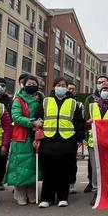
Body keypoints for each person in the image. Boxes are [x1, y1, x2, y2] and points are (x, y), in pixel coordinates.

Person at [36, 77, 85, 208]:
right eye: (58, 85)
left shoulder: (73, 103)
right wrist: (36, 137)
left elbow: (79, 123)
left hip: (67, 141)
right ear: (53, 86)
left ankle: (63, 197)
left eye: (64, 85)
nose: (61, 87)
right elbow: (38, 120)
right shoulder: (45, 101)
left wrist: (78, 139)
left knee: (64, 170)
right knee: (48, 170)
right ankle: (47, 198)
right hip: (48, 140)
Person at [5, 75, 43, 205]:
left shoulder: (41, 99)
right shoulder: (19, 99)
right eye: (29, 83)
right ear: (24, 85)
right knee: (20, 165)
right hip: (22, 136)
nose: (32, 85)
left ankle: (32, 192)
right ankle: (20, 193)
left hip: (36, 135)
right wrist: (33, 123)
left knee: (33, 165)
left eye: (34, 83)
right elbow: (16, 117)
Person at [83, 75, 108, 193]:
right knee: (92, 162)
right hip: (94, 136)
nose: (101, 84)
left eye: (104, 82)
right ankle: (91, 183)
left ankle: (107, 185)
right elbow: (87, 118)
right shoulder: (90, 99)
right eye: (99, 82)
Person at [0, 77, 12, 191]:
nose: (0, 87)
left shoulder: (9, 101)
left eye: (2, 85)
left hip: (3, 134)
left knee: (1, 159)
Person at [67, 81, 84, 195]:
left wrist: (79, 139)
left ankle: (71, 183)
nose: (71, 90)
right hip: (58, 137)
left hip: (73, 137)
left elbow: (80, 122)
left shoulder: (79, 105)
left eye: (73, 89)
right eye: (69, 88)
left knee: (72, 162)